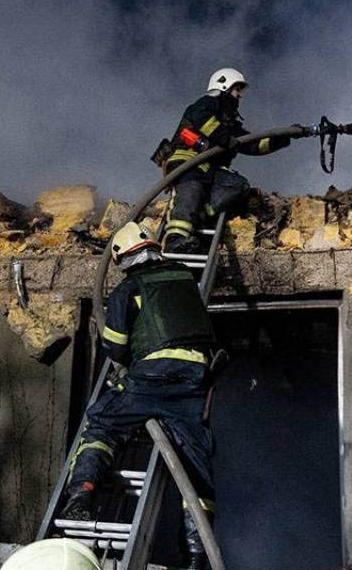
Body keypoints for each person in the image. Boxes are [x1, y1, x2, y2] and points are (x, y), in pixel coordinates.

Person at [61, 221, 220, 568]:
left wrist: (130, 351)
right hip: (193, 381)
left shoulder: (128, 287)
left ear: (122, 258)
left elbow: (115, 348)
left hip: (151, 379)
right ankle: (196, 555)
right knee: (195, 462)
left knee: (102, 424)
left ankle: (82, 495)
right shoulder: (185, 280)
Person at [157, 67, 293, 254]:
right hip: (189, 162)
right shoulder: (206, 104)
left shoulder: (229, 123)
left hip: (212, 169)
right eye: (237, 90)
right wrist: (223, 138)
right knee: (191, 191)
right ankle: (176, 239)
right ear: (224, 87)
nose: (239, 96)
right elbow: (201, 118)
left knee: (238, 185)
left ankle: (201, 214)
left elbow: (251, 145)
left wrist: (283, 138)